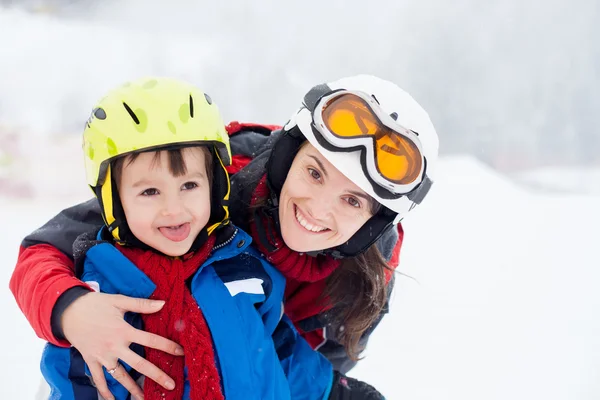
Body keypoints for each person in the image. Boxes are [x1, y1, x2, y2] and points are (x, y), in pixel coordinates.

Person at [10, 75, 439, 398]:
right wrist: (70, 308)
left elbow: (280, 354)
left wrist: (333, 391)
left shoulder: (355, 284)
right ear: (287, 156)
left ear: (371, 224)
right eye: (314, 172)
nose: (319, 208)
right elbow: (51, 248)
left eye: (352, 201)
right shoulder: (208, 180)